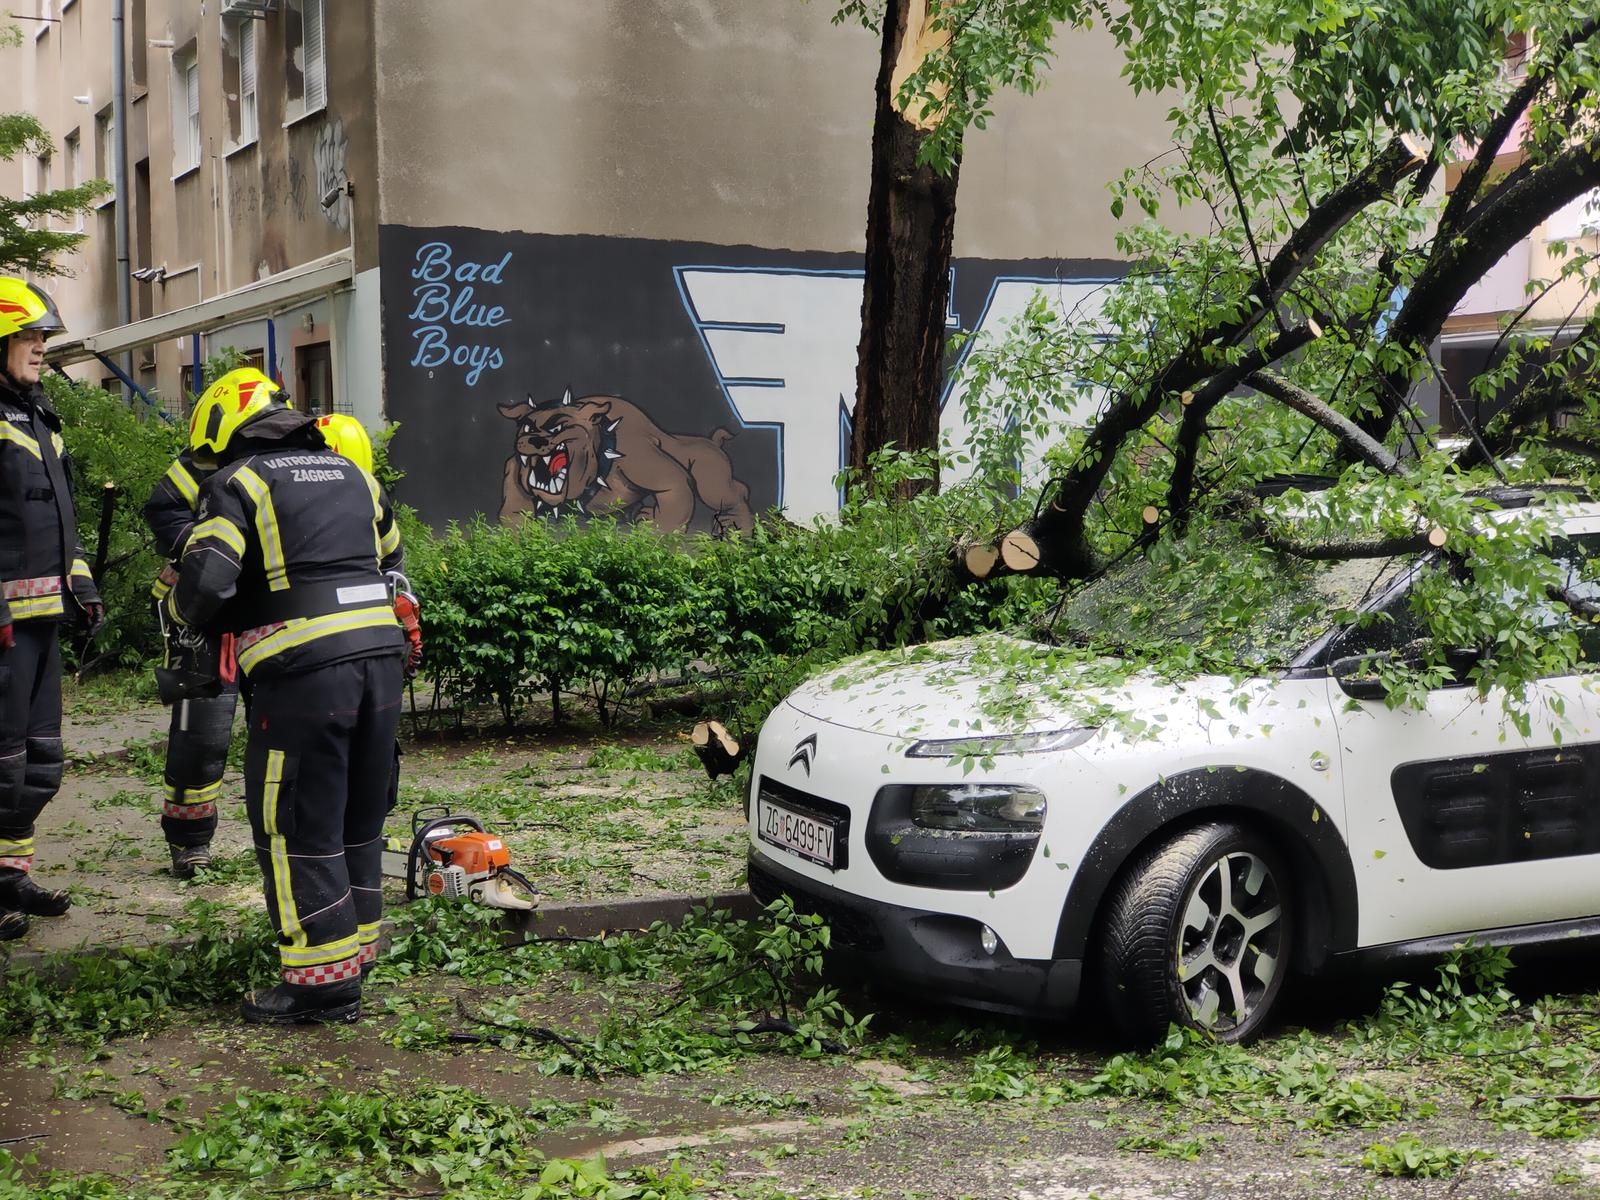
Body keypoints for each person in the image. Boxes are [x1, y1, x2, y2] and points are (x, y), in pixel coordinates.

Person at [165, 372, 406, 1024]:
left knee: (296, 820)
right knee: (358, 815)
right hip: (381, 664)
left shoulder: (238, 483)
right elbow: (392, 562)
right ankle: (356, 955)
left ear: (225, 434)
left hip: (305, 677)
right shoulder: (355, 475)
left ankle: (322, 985)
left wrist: (178, 609)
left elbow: (209, 580)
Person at [142, 373, 281, 878]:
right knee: (197, 735)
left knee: (279, 728)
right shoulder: (198, 464)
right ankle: (189, 841)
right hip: (202, 622)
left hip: (268, 615)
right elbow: (161, 509)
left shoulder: (284, 462)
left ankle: (282, 835)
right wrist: (200, 550)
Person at [0, 277, 104, 938]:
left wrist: (82, 585)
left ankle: (11, 876)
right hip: (5, 630)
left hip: (41, 627)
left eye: (43, 336)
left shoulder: (39, 417)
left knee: (36, 763)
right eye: (28, 336)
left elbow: (63, 522)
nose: (41, 346)